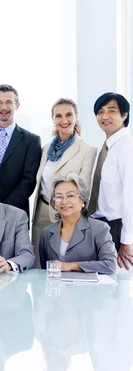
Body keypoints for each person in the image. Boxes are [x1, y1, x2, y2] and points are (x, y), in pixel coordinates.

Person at [31, 98, 97, 267]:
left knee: (63, 265)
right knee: (39, 264)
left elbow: (84, 190)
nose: (64, 120)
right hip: (42, 212)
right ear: (53, 119)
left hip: (69, 214)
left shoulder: (87, 150)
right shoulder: (46, 149)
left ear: (76, 117)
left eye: (69, 115)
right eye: (58, 116)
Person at [0, 84, 41, 217]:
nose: (4, 107)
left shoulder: (31, 140)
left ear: (17, 106)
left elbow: (29, 180)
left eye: (9, 102)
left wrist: (3, 208)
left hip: (16, 214)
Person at [88, 92, 133, 271]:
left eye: (111, 111)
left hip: (117, 227)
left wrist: (127, 241)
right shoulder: (102, 148)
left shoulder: (127, 148)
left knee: (116, 287)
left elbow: (131, 197)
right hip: (98, 226)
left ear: (124, 115)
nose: (104, 116)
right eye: (100, 111)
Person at [39, 173, 117, 274]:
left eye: (70, 195)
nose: (64, 201)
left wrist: (72, 266)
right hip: (57, 288)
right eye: (59, 197)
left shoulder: (99, 228)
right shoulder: (46, 233)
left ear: (82, 199)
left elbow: (110, 265)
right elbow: (44, 271)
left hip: (89, 289)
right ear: (54, 202)